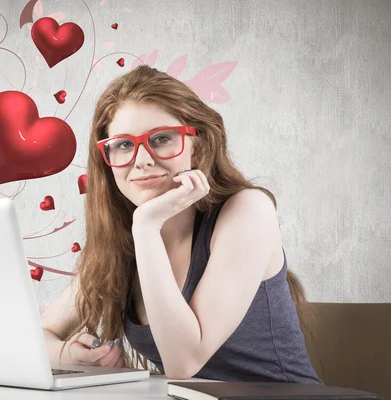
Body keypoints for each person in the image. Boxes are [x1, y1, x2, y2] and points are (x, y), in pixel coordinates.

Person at [40, 65, 322, 383]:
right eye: (122, 144)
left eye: (161, 139)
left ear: (196, 145)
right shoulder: (121, 243)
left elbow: (184, 364)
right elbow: (39, 333)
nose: (142, 159)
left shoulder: (248, 211)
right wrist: (68, 354)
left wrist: (146, 227)